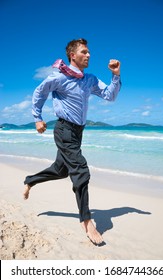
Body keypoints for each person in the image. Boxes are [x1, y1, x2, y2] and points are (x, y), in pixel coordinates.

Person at [23, 38, 121, 245]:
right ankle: (86, 221)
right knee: (81, 171)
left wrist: (115, 75)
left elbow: (109, 96)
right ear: (72, 55)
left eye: (89, 52)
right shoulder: (58, 77)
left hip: (78, 133)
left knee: (61, 170)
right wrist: (37, 118)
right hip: (64, 130)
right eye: (84, 52)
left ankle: (30, 180)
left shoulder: (90, 79)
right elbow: (39, 92)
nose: (88, 55)